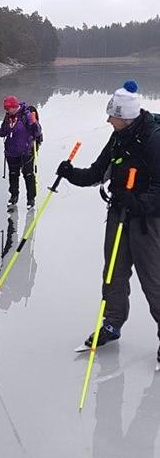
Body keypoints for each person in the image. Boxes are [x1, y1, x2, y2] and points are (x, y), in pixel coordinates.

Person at [56, 80, 160, 360]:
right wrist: (71, 173)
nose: (108, 119)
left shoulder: (152, 138)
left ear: (125, 116)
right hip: (118, 213)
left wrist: (138, 203)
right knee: (113, 272)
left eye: (112, 115)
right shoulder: (117, 137)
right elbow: (97, 172)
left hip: (146, 221)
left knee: (152, 279)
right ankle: (112, 324)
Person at [0, 96, 42, 208]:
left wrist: (34, 125)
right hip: (11, 153)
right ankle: (14, 196)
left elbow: (37, 133)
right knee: (13, 175)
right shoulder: (8, 117)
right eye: (5, 109)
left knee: (28, 175)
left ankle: (31, 199)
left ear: (14, 107)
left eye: (8, 109)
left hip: (26, 152)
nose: (6, 111)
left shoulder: (26, 115)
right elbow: (3, 132)